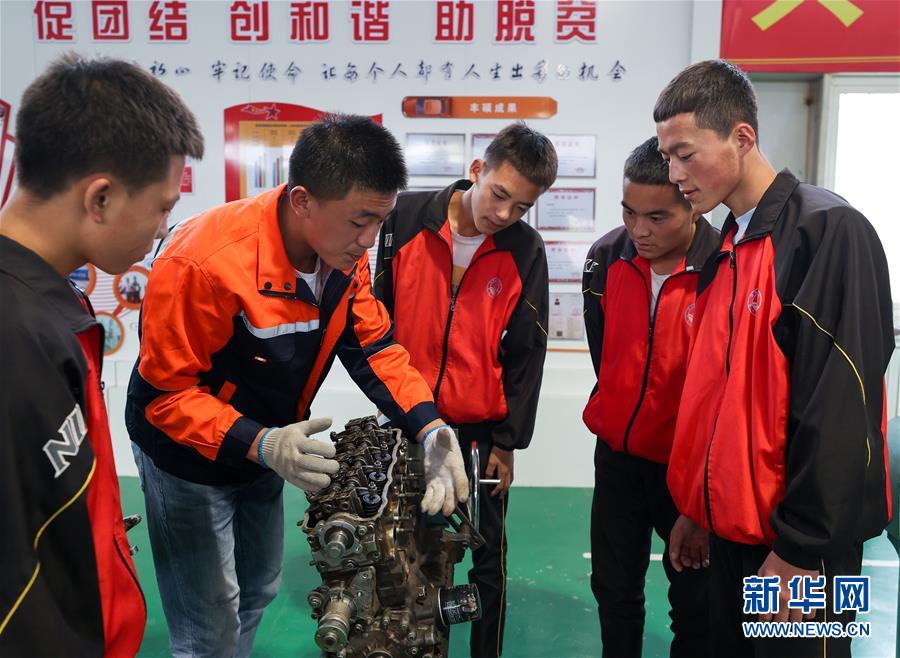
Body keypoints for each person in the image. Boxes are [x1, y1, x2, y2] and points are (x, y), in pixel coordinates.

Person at [125, 114, 468, 658]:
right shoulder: (204, 263)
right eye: (359, 221)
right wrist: (261, 442)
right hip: (187, 458)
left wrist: (430, 428)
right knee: (208, 621)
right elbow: (166, 395)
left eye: (379, 222)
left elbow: (375, 348)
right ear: (303, 200)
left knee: (257, 590)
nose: (368, 240)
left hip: (270, 447)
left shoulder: (342, 256)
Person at [655, 60, 894, 657]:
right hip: (735, 537)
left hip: (804, 554)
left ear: (741, 137)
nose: (674, 175)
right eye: (666, 157)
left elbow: (841, 407)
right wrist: (699, 508)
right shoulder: (730, 246)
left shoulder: (828, 231)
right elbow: (721, 401)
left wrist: (801, 548)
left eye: (685, 154)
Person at [0, 54, 203, 655]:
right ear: (102, 198)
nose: (163, 228)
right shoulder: (16, 338)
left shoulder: (50, 306)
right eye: (162, 206)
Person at [374, 122, 556, 658]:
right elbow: (376, 318)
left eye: (521, 207)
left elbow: (527, 351)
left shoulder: (525, 248)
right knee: (397, 550)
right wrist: (392, 404)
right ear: (477, 170)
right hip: (408, 418)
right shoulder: (405, 217)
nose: (504, 214)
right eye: (499, 194)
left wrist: (508, 442)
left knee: (486, 560)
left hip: (480, 431)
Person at [583, 136, 718, 657]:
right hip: (617, 460)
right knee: (613, 590)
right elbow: (606, 354)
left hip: (688, 469)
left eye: (657, 217)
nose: (638, 230)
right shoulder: (605, 258)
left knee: (696, 602)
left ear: (693, 204)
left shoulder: (723, 266)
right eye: (629, 212)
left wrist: (702, 496)